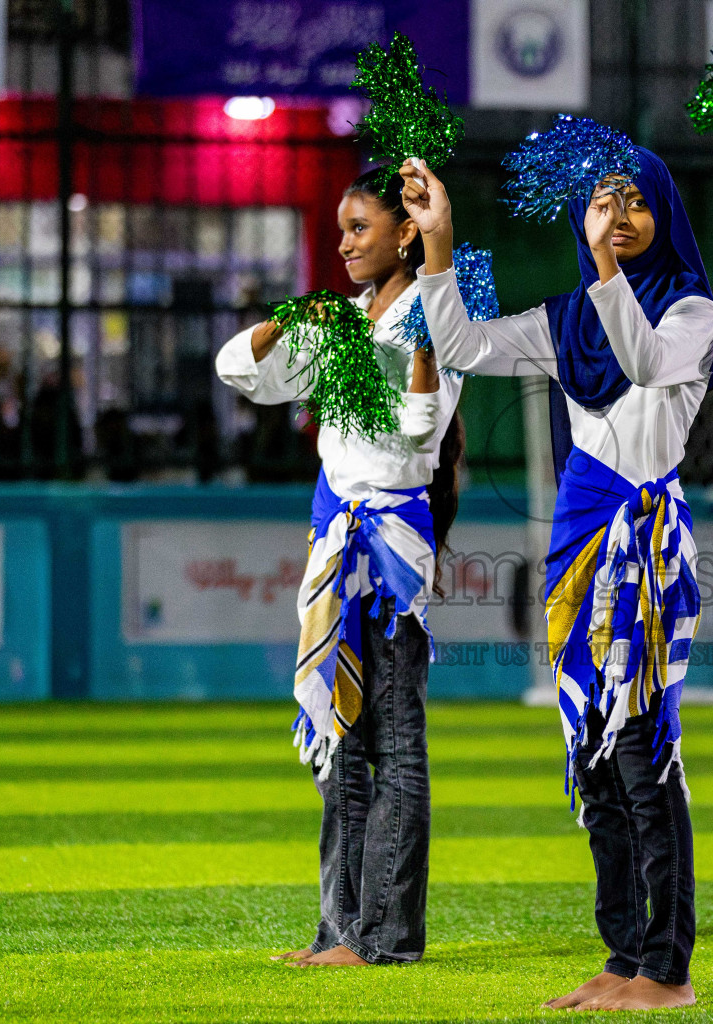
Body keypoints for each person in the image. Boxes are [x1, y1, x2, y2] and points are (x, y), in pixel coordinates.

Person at [399, 140, 713, 1011]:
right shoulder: (568, 317)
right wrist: (439, 239)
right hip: (578, 552)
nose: (619, 217)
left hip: (642, 550)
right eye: (603, 203)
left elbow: (644, 360)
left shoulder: (691, 310)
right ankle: (623, 955)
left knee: (644, 752)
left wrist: (606, 267)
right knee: (596, 760)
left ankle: (669, 969)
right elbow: (460, 343)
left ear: (664, 212)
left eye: (636, 202)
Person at [216, 167, 465, 967]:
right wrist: (290, 317)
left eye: (360, 228)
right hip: (334, 546)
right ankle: (340, 928)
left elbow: (420, 437)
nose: (345, 244)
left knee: (393, 739)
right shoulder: (345, 321)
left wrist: (423, 342)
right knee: (339, 743)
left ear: (405, 232)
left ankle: (386, 936)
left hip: (389, 546)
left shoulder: (443, 314)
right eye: (341, 230)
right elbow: (240, 372)